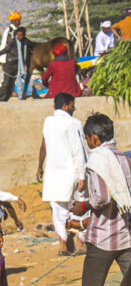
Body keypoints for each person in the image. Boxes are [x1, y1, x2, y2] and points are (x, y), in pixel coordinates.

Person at [70, 113, 131, 286]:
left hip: (102, 238)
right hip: (127, 236)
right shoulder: (125, 159)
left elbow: (101, 198)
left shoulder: (96, 160)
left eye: (86, 139)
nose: (87, 143)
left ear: (94, 138)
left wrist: (82, 206)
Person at [36, 92, 87, 255]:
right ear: (65, 106)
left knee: (58, 210)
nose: (74, 108)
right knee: (80, 206)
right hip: (72, 172)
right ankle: (79, 244)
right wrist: (82, 175)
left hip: (54, 175)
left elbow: (44, 146)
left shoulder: (48, 122)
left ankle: (63, 246)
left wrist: (39, 167)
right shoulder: (74, 123)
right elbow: (78, 150)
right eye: (73, 105)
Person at [0, 26, 33, 101]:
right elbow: (6, 49)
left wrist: (31, 50)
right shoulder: (13, 41)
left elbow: (31, 45)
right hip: (9, 66)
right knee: (6, 84)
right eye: (18, 35)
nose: (19, 37)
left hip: (17, 67)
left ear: (24, 35)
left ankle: (5, 100)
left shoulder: (26, 41)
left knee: (11, 85)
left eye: (21, 35)